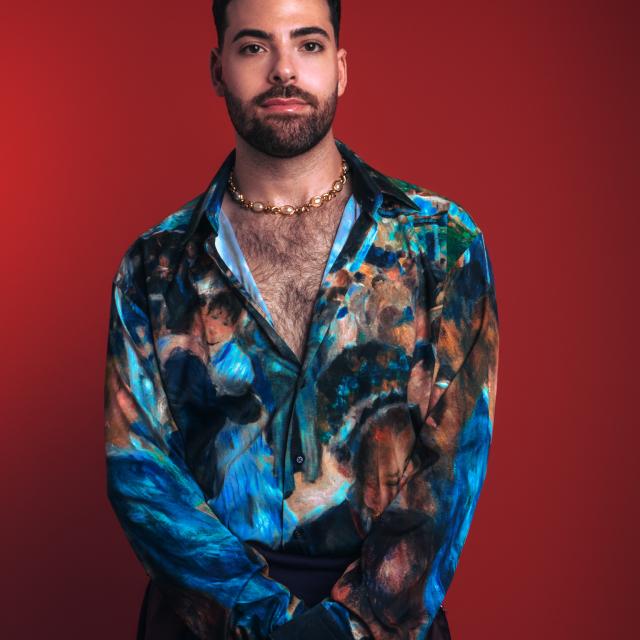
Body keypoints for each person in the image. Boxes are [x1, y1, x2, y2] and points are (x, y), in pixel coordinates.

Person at [103, 0, 500, 639]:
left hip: (386, 623)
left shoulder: (440, 244)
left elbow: (451, 461)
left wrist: (349, 625)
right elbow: (139, 471)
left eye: (308, 45)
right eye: (254, 47)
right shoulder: (154, 265)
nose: (284, 70)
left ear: (341, 68)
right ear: (218, 68)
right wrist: (267, 623)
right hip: (208, 623)